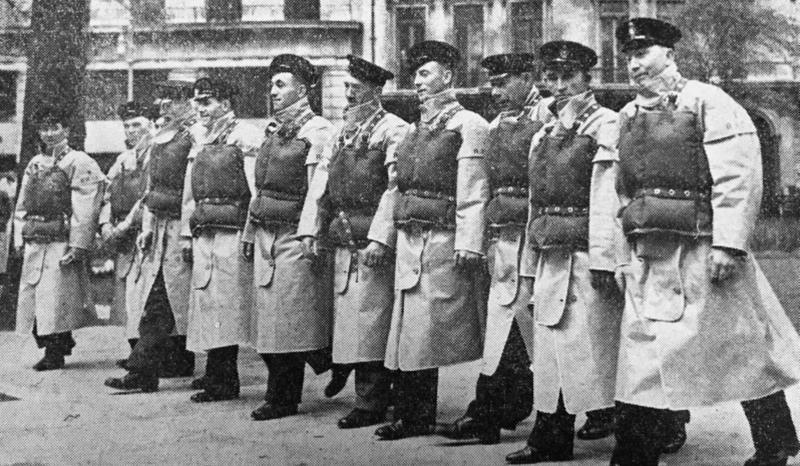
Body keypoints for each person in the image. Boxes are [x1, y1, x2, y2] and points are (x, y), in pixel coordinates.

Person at [611, 18, 800, 466]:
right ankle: (635, 454)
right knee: (644, 357)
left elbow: (737, 175)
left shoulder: (707, 101)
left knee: (741, 348)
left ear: (669, 55)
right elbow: (621, 192)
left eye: (643, 54)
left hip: (703, 250)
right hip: (650, 253)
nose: (635, 65)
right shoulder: (628, 115)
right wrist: (622, 256)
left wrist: (729, 245)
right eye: (629, 57)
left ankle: (775, 441)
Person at [505, 41, 622, 464]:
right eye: (551, 78)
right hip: (551, 251)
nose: (558, 86)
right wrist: (529, 261)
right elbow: (535, 201)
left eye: (567, 77)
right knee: (552, 350)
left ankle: (654, 429)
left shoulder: (607, 125)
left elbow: (608, 198)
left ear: (587, 79)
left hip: (590, 255)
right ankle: (550, 438)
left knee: (602, 348)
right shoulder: (542, 133)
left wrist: (606, 260)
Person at [374, 40, 490, 440]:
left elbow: (473, 188)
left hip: (442, 240)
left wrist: (469, 243)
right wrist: (381, 238)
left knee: (427, 332)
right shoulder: (411, 131)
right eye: (416, 74)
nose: (418, 82)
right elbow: (394, 189)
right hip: (408, 239)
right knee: (407, 332)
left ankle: (417, 414)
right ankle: (412, 414)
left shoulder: (469, 125)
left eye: (426, 73)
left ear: (449, 77)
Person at [440, 52, 551, 445]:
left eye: (504, 82)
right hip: (504, 238)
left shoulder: (551, 119)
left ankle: (628, 415)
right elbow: (478, 187)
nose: (496, 90)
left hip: (542, 239)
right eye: (492, 83)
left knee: (557, 331)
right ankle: (492, 410)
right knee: (506, 327)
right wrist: (478, 238)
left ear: (527, 77)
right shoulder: (494, 126)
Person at [296, 54, 410, 429]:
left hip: (373, 242)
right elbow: (321, 185)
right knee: (353, 320)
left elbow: (394, 189)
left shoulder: (394, 130)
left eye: (355, 90)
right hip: (344, 237)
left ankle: (373, 400)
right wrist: (310, 228)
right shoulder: (342, 132)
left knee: (372, 321)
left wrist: (380, 238)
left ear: (375, 91)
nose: (348, 96)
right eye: (346, 89)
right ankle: (370, 393)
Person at [243, 54, 337, 421]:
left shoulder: (318, 132)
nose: (273, 91)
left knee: (288, 322)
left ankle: (282, 398)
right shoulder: (273, 133)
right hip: (267, 234)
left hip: (297, 235)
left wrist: (310, 234)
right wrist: (251, 231)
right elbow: (260, 189)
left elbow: (319, 191)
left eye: (281, 85)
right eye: (272, 85)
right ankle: (328, 360)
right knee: (271, 321)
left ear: (303, 89)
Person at [105, 72, 200, 393]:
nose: (166, 107)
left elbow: (193, 190)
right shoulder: (164, 137)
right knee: (158, 299)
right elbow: (150, 189)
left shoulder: (195, 137)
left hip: (181, 230)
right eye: (164, 100)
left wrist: (187, 232)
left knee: (171, 299)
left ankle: (149, 368)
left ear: (188, 103)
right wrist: (146, 227)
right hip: (158, 229)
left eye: (173, 100)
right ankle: (145, 370)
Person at [184, 77, 262, 403]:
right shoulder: (201, 140)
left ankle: (225, 379)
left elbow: (256, 189)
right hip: (205, 230)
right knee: (208, 302)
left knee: (229, 306)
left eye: (208, 101)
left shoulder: (246, 137)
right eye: (198, 102)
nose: (201, 108)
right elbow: (190, 193)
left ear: (226, 105)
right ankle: (216, 373)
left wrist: (250, 232)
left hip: (232, 233)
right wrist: (187, 236)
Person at [14, 106, 105, 371]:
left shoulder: (79, 161)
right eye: (44, 128)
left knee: (54, 297)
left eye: (55, 127)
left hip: (60, 238)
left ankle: (55, 351)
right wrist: (21, 237)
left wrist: (78, 243)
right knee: (33, 294)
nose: (50, 133)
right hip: (36, 236)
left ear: (66, 129)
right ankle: (59, 341)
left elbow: (85, 205)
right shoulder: (35, 163)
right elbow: (23, 202)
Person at [98, 101, 151, 352]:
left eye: (137, 124)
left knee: (147, 295)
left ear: (150, 125)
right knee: (128, 295)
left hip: (146, 233)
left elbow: (147, 197)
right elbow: (107, 194)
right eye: (127, 126)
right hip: (124, 237)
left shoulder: (157, 155)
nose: (131, 131)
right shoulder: (122, 160)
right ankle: (135, 350)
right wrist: (106, 224)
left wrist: (126, 224)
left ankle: (160, 355)